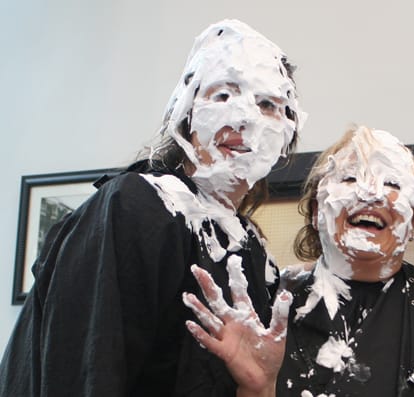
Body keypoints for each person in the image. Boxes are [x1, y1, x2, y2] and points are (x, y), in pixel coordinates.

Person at [0, 19, 304, 397]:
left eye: (267, 104)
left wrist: (260, 389)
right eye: (223, 96)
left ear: (287, 132)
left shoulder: (249, 248)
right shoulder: (141, 205)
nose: (242, 116)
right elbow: (87, 369)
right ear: (186, 113)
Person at [184, 126, 414, 396]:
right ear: (318, 210)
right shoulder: (269, 309)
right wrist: (256, 390)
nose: (370, 193)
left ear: (413, 219)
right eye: (349, 179)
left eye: (391, 183)